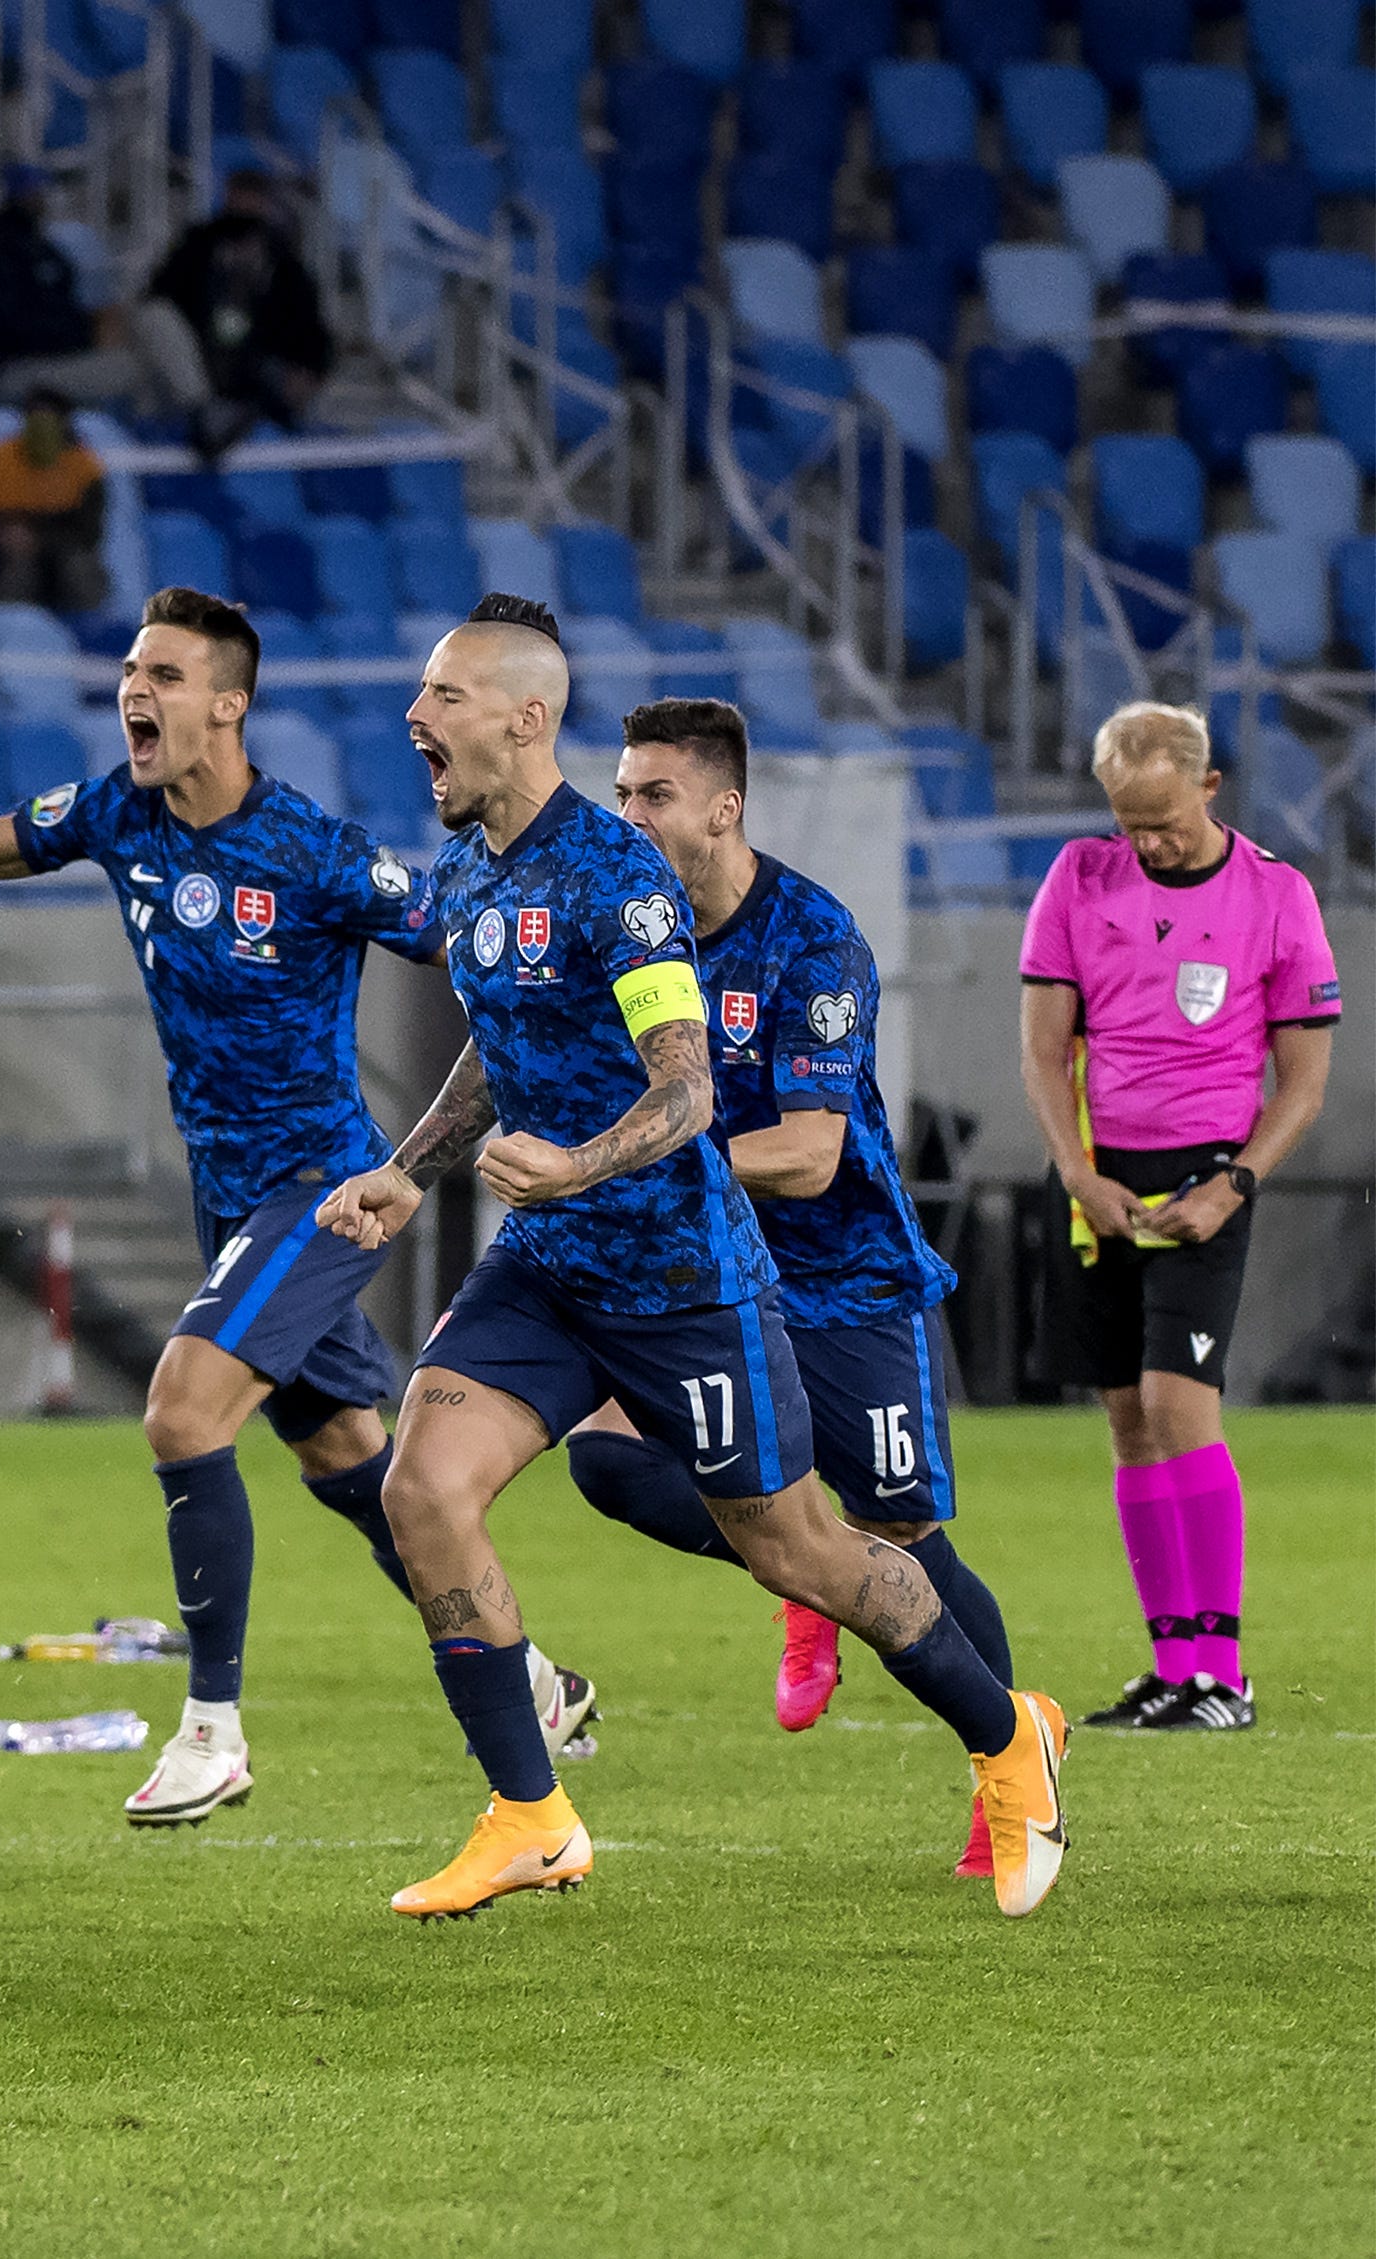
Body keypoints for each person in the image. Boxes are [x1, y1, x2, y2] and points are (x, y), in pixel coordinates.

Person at [0, 585, 590, 1827]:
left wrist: (554, 1069)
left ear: (227, 707)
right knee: (348, 1459)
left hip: (321, 1187)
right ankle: (524, 1673)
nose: (136, 691)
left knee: (182, 1412)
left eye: (166, 675)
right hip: (226, 1199)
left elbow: (472, 942)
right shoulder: (112, 811)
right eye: (132, 670)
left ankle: (211, 1730)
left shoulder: (312, 849)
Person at [309, 595, 1067, 1922]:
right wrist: (404, 1170)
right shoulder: (477, 876)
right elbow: (503, 1043)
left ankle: (1005, 1738)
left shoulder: (618, 877)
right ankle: (530, 1812)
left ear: (525, 717)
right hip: (549, 1267)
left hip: (684, 1279)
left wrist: (576, 1161)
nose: (415, 716)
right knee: (420, 1487)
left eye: (443, 695)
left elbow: (686, 1096)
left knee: (811, 1550)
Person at [571, 697, 1017, 1878]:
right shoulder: (631, 934)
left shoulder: (811, 940)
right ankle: (803, 1562)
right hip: (715, 1277)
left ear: (723, 807)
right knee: (606, 1460)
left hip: (845, 1281)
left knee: (909, 1545)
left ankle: (1010, 1756)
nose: (626, 814)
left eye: (651, 795)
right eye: (618, 793)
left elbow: (811, 1155)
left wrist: (626, 1158)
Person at [1016, 702, 1337, 1732]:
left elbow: (1300, 1085)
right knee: (1124, 1420)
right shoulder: (1078, 877)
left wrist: (1230, 1186)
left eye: (1159, 819)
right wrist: (1075, 1174)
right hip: (1099, 1186)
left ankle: (1220, 1674)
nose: (1143, 841)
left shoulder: (1276, 897)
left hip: (1204, 1182)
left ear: (1207, 787)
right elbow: (1041, 1049)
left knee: (1177, 1403)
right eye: (1126, 821)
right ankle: (1169, 1667)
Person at [141, 175, 334, 451]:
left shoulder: (285, 265)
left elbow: (311, 333)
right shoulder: (198, 246)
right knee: (152, 332)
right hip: (198, 359)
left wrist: (310, 370)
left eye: (253, 204)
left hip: (259, 371)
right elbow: (161, 297)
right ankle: (203, 410)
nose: (244, 215)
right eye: (237, 203)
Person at [0, 166, 134, 411]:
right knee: (132, 369)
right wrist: (79, 334)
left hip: (48, 362)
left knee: (141, 337)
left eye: (40, 190)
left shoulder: (40, 246)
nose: (39, 197)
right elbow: (3, 325)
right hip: (14, 371)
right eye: (31, 191)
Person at [0, 394, 110, 613]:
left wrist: (36, 537)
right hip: (2, 556)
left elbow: (89, 531)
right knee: (18, 567)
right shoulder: (0, 461)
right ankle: (8, 626)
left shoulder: (84, 469)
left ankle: (92, 627)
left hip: (62, 556)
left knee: (80, 568)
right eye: (35, 419)